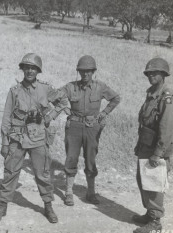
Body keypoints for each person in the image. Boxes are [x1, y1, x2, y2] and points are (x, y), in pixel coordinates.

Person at [0, 53, 68, 224]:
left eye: (33, 68)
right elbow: (6, 118)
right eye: (27, 67)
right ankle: (2, 205)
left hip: (39, 137)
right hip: (17, 138)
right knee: (10, 172)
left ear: (38, 71)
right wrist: (4, 142)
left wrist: (51, 116)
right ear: (22, 69)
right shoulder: (14, 91)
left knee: (43, 173)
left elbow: (63, 100)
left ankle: (48, 205)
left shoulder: (45, 89)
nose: (30, 70)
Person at [60, 55, 120, 206]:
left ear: (93, 71)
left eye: (88, 71)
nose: (85, 74)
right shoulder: (71, 86)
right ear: (78, 71)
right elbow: (53, 95)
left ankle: (91, 192)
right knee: (71, 158)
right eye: (82, 71)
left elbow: (116, 98)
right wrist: (63, 107)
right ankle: (68, 192)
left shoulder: (100, 87)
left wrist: (104, 113)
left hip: (92, 127)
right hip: (73, 126)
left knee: (90, 158)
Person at [132, 58, 173, 233]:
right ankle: (150, 213)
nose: (151, 75)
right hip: (145, 144)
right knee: (143, 180)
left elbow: (166, 128)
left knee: (154, 182)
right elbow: (145, 122)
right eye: (149, 73)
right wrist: (140, 145)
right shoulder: (151, 93)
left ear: (163, 75)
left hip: (156, 148)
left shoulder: (166, 97)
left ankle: (155, 221)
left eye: (155, 73)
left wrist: (157, 153)